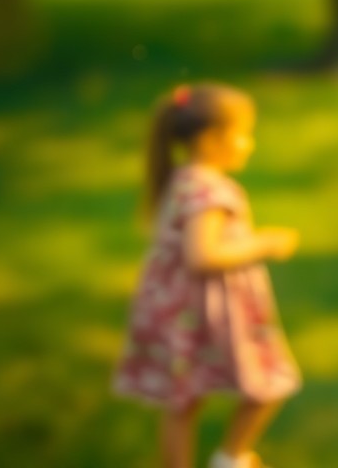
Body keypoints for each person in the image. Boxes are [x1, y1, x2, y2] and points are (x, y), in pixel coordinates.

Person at [113, 83, 301, 468]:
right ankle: (230, 459)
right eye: (244, 134)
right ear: (212, 139)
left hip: (176, 309)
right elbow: (203, 255)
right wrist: (265, 243)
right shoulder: (210, 191)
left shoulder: (183, 179)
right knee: (267, 383)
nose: (249, 144)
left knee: (182, 402)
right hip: (204, 313)